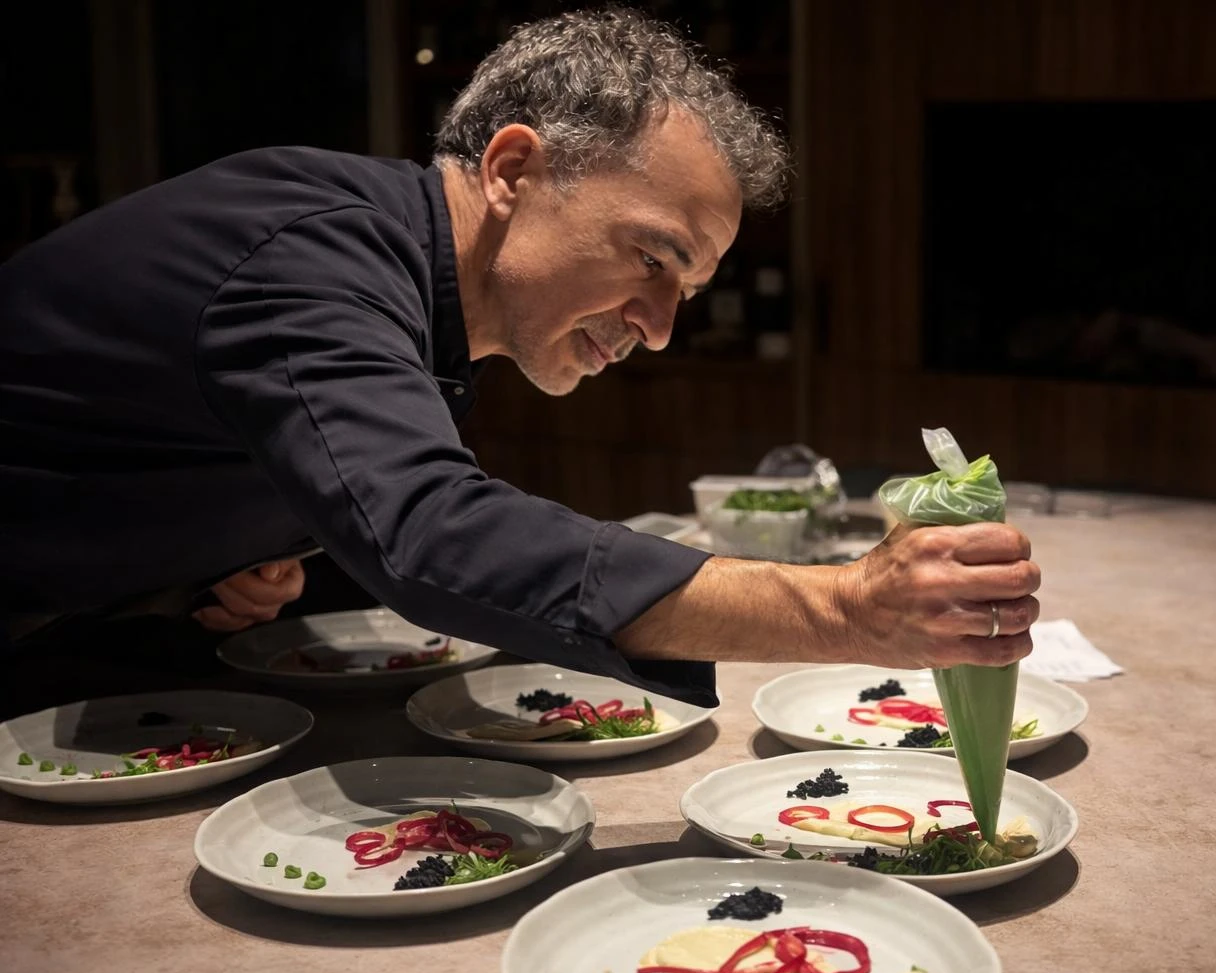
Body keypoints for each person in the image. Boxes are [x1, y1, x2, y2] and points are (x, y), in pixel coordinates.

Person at [0, 8, 1040, 702]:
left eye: (686, 292)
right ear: (512, 169)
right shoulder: (315, 250)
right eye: (652, 258)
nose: (659, 326)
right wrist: (845, 607)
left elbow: (140, 441)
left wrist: (229, 557)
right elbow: (431, 530)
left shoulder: (419, 303)